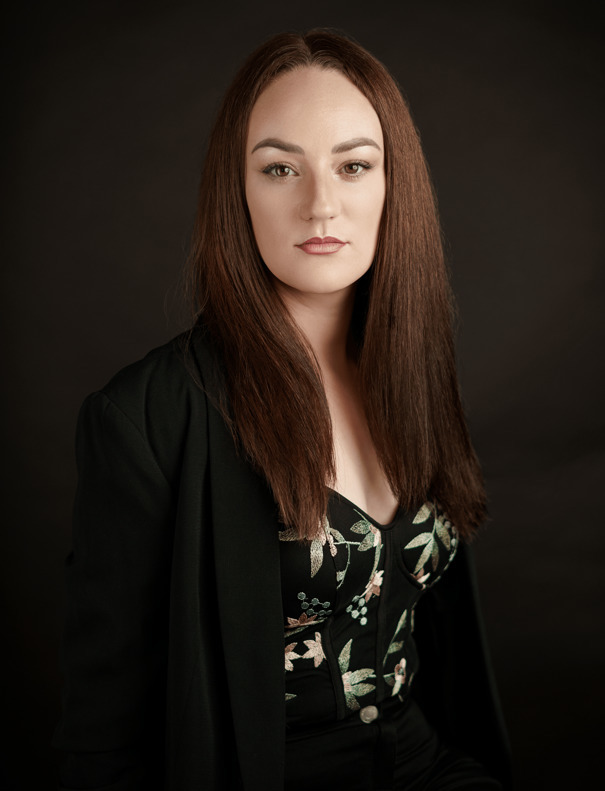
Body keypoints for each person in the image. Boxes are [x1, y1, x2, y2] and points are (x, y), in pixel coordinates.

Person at [53, 30, 511, 791]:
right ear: (235, 190)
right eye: (279, 168)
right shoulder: (144, 419)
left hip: (426, 763)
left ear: (393, 184)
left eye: (353, 165)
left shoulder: (414, 370)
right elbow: (101, 735)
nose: (320, 204)